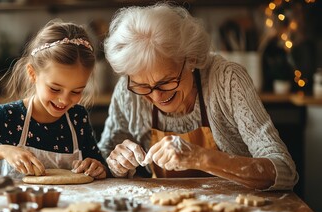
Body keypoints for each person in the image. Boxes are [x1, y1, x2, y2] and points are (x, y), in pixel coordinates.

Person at [98, 3, 298, 190]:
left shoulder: (227, 80)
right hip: (165, 211)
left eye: (166, 81)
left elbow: (284, 171)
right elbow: (102, 157)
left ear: (191, 59)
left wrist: (200, 158)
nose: (157, 95)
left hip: (234, 209)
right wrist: (116, 164)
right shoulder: (128, 92)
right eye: (143, 86)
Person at [0, 21, 107, 179]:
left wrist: (96, 167)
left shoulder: (77, 117)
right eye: (55, 89)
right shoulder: (8, 116)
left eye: (76, 91)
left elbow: (100, 165)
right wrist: (3, 150)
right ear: (33, 74)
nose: (64, 100)